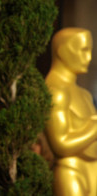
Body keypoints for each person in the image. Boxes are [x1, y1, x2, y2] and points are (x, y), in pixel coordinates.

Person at [45, 28, 97, 196]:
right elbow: (61, 144)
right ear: (63, 51)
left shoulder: (84, 94)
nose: (88, 58)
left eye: (89, 50)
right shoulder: (55, 91)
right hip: (70, 170)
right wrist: (94, 127)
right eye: (83, 50)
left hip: (91, 169)